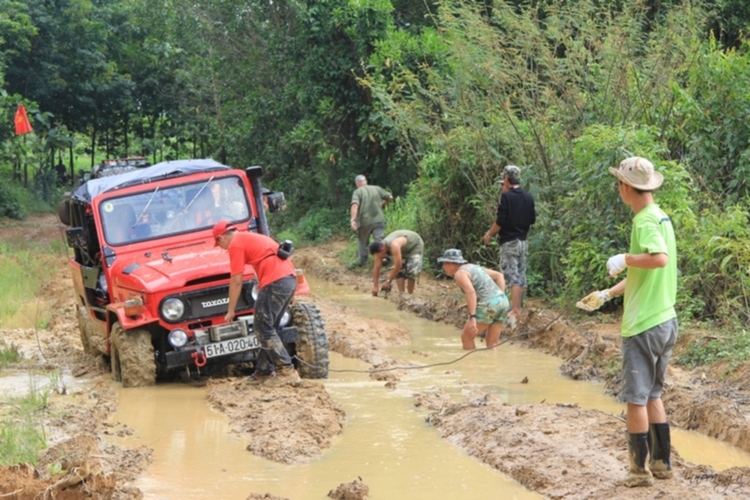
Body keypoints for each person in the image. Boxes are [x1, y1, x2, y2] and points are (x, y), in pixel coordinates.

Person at [579, 157, 677, 487]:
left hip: (643, 325)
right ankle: (662, 464)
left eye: (618, 183)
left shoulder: (644, 221)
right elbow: (644, 271)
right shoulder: (661, 217)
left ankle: (638, 472)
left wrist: (625, 258)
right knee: (653, 394)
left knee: (636, 397)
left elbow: (658, 258)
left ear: (624, 186)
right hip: (665, 319)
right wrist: (608, 293)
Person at [213, 220, 300, 383]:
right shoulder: (253, 238)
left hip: (275, 281)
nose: (222, 249)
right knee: (270, 327)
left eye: (219, 245)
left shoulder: (235, 245)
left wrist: (230, 310)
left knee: (262, 328)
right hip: (287, 279)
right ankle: (265, 370)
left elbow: (236, 281)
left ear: (221, 238)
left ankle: (286, 370)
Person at [482, 165, 536, 327]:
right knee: (521, 273)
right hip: (523, 241)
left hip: (509, 241)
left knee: (511, 276)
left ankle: (516, 309)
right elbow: (532, 220)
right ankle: (520, 307)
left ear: (506, 178)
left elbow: (500, 221)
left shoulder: (506, 197)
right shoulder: (528, 197)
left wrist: (489, 234)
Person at [437, 249, 509, 350]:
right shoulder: (475, 267)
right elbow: (499, 275)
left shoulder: (460, 273)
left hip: (487, 303)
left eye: (444, 263)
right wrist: (498, 298)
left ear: (452, 263)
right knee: (492, 344)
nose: (443, 266)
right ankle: (493, 365)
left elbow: (470, 292)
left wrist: (472, 317)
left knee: (466, 338)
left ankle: (470, 366)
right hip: (503, 301)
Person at [350, 175, 393, 266]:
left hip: (365, 221)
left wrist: (353, 220)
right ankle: (384, 257)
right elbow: (390, 197)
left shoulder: (357, 192)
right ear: (366, 181)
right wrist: (383, 204)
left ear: (357, 184)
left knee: (363, 241)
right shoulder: (376, 188)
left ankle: (362, 261)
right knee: (379, 238)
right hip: (379, 219)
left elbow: (354, 205)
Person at [368, 229, 424, 296]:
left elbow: (398, 266)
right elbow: (376, 268)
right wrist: (375, 286)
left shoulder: (394, 245)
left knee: (412, 271)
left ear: (382, 249)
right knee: (400, 272)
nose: (378, 257)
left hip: (415, 245)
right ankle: (402, 294)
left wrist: (388, 281)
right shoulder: (380, 249)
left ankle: (410, 295)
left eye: (378, 255)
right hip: (403, 248)